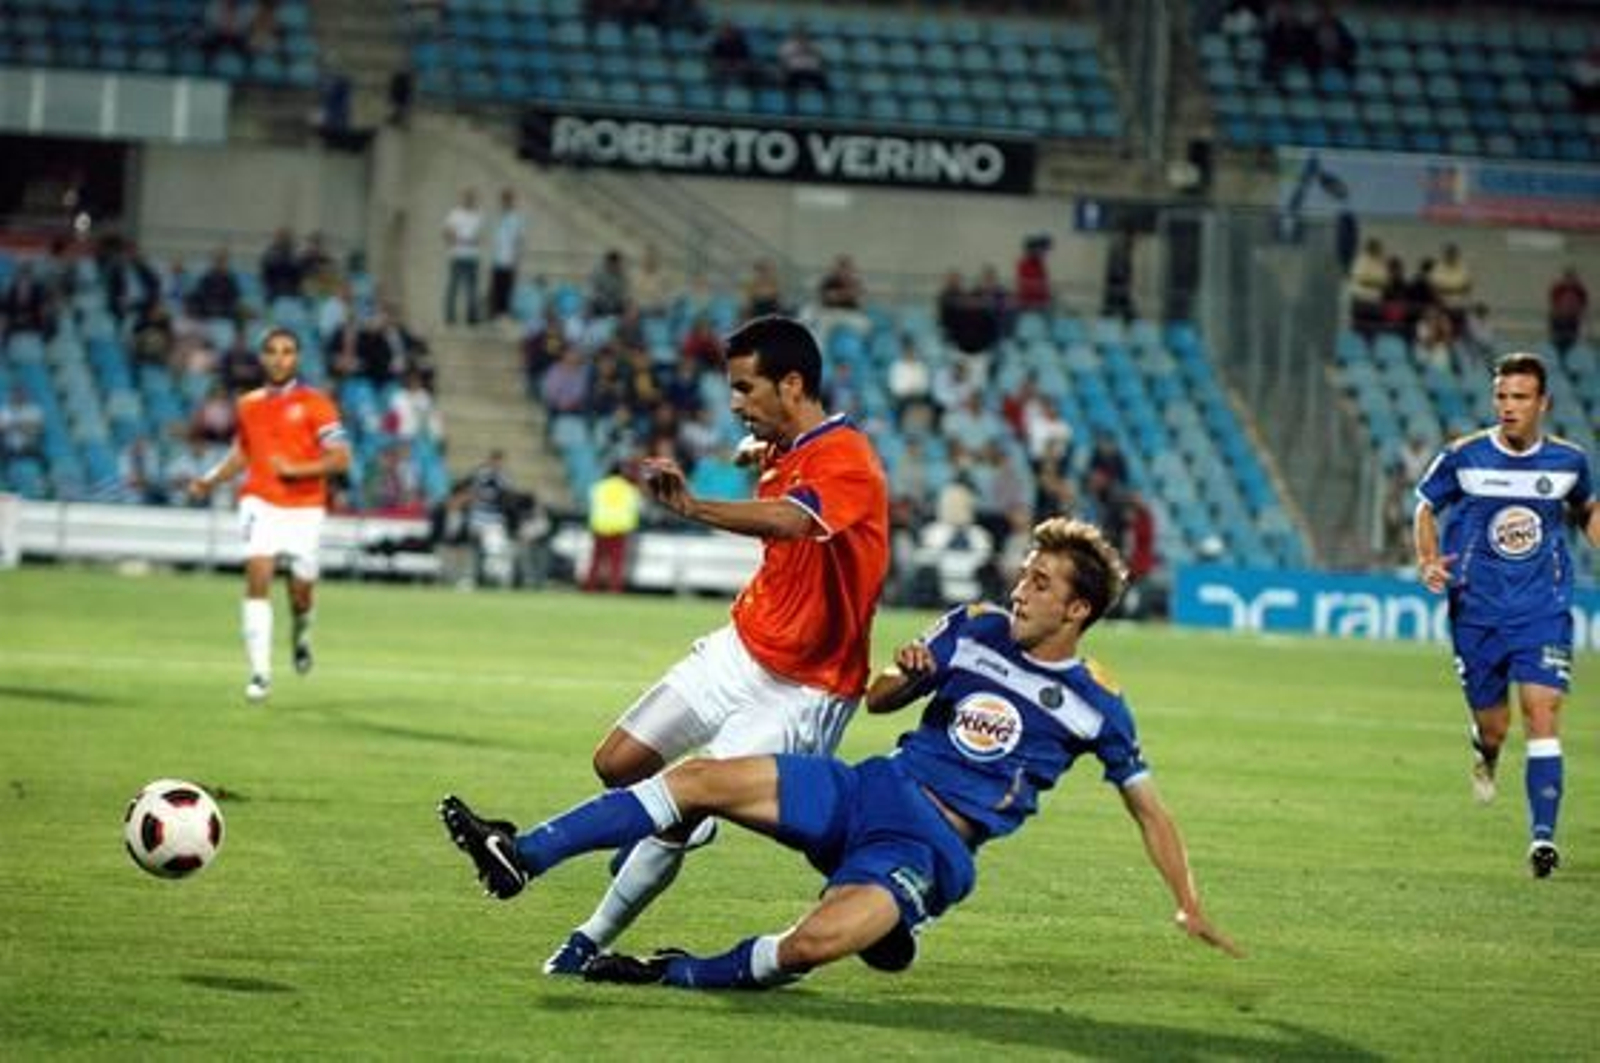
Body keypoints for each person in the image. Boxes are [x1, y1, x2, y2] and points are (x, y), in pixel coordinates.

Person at [439, 517, 1240, 988]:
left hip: (926, 845)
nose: (1020, 587)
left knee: (812, 946)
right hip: (868, 788)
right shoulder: (974, 625)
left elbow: (1150, 809)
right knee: (698, 779)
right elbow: (882, 694)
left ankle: (666, 972)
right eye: (1023, 572)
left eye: (1039, 581)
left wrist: (1188, 899)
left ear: (1078, 607)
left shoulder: (1097, 702)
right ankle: (523, 853)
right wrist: (908, 674)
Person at [509, 314, 889, 977]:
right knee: (617, 761)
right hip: (741, 647)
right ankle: (690, 817)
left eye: (746, 389)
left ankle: (586, 938)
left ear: (792, 383)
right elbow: (777, 467)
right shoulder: (781, 443)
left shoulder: (847, 459)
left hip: (807, 684)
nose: (736, 404)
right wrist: (754, 449)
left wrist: (696, 505)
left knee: (680, 803)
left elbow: (794, 520)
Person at [1413, 352, 1598, 878]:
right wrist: (1428, 559)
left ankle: (1543, 839)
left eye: (1520, 397)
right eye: (1502, 396)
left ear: (1543, 403)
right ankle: (1485, 749)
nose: (1509, 406)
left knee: (1544, 713)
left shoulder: (1569, 461)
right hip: (1476, 612)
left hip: (1543, 608)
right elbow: (1425, 505)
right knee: (1495, 726)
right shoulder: (1464, 456)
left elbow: (1587, 507)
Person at [188, 328, 351, 703]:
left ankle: (302, 631)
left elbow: (341, 457)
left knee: (301, 593)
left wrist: (296, 470)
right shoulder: (248, 404)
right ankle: (260, 674)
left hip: (305, 507)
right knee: (258, 575)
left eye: (288, 351)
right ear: (262, 358)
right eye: (272, 351)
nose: (279, 358)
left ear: (297, 358)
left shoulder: (317, 404)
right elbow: (243, 454)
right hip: (259, 501)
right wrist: (209, 481)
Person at [584, 462, 642, 593]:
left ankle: (590, 587)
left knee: (596, 561)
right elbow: (634, 508)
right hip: (619, 527)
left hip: (600, 526)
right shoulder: (629, 489)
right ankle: (614, 589)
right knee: (616, 562)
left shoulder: (599, 487)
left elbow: (592, 503)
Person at [442, 189, 483, 326]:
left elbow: (479, 237)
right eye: (467, 197)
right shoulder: (455, 214)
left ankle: (472, 318)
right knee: (453, 287)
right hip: (457, 256)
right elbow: (447, 233)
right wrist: (460, 240)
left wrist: (468, 240)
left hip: (472, 257)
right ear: (463, 198)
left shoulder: (478, 215)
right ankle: (450, 317)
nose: (470, 200)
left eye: (472, 198)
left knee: (472, 289)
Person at [487, 188, 525, 322]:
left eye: (508, 200)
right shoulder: (498, 217)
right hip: (497, 258)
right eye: (504, 200)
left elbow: (519, 240)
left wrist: (516, 258)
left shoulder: (516, 218)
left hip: (509, 258)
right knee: (496, 287)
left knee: (507, 288)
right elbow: (494, 238)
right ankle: (495, 314)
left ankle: (505, 314)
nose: (506, 203)